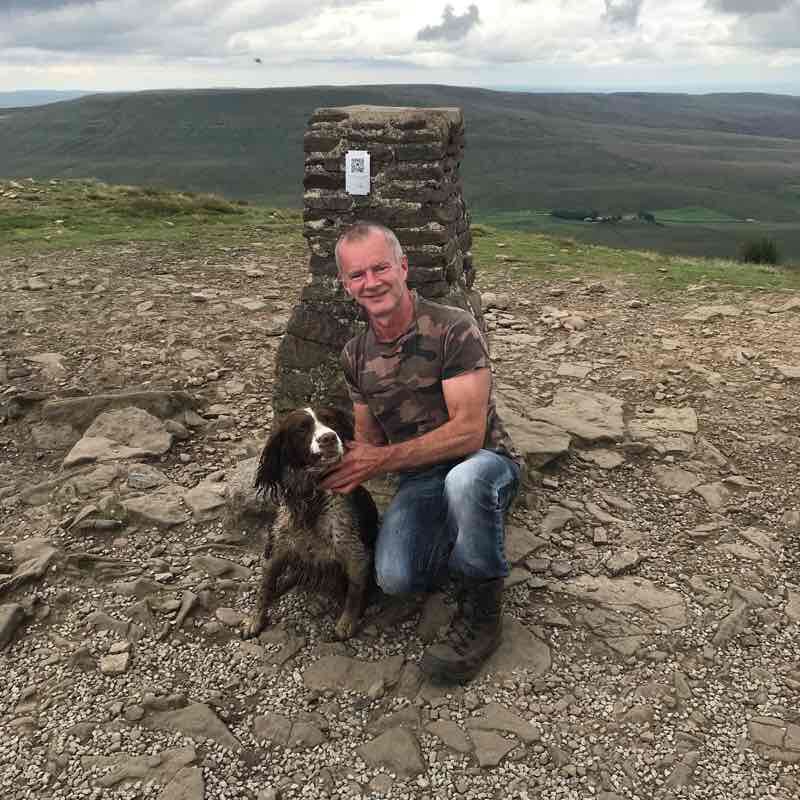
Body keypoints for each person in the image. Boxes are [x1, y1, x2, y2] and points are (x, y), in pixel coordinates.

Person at [321, 221, 521, 684]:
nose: (371, 282)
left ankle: (483, 613)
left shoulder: (453, 328)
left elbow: (468, 433)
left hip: (484, 462)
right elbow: (369, 442)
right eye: (357, 275)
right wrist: (322, 459)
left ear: (403, 267)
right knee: (394, 577)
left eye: (380, 268)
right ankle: (471, 529)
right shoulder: (354, 355)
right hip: (420, 477)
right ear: (346, 285)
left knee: (465, 482)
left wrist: (382, 461)